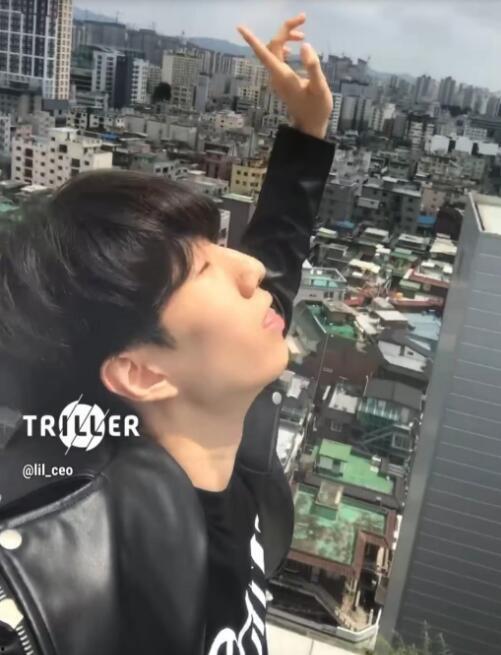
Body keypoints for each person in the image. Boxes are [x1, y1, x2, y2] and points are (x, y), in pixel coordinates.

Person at [0, 13, 335, 655]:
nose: (252, 273)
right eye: (205, 268)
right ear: (143, 371)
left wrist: (307, 133)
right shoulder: (76, 587)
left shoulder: (236, 450)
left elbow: (275, 269)